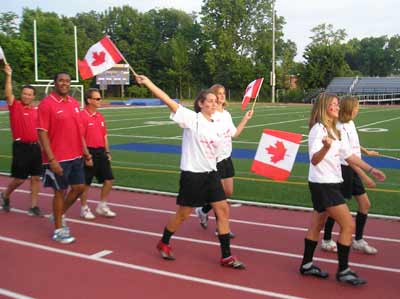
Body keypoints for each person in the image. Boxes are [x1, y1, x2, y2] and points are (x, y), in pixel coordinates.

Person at [135, 74, 245, 269]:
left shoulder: (217, 124)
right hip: (192, 175)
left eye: (215, 100)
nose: (214, 103)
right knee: (183, 214)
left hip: (211, 174)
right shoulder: (191, 119)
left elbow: (226, 142)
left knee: (223, 209)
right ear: (201, 104)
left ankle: (226, 256)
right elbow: (168, 100)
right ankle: (164, 241)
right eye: (209, 101)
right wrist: (149, 83)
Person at [299, 93, 385, 286]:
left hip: (329, 182)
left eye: (337, 104)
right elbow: (314, 159)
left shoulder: (334, 129)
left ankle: (306, 265)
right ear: (324, 108)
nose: (337, 107)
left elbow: (348, 155)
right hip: (324, 184)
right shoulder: (319, 130)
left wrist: (370, 169)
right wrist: (324, 148)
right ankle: (343, 270)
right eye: (333, 105)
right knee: (348, 225)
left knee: (316, 225)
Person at [37, 72, 93, 244]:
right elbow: (42, 133)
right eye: (61, 80)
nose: (64, 83)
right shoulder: (47, 104)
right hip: (58, 157)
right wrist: (52, 159)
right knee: (60, 192)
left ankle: (58, 215)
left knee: (79, 187)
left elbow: (79, 132)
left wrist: (85, 152)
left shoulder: (74, 103)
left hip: (76, 155)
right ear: (55, 83)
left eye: (67, 81)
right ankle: (59, 230)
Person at [321, 96, 379, 254]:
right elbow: (346, 155)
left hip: (353, 168)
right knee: (337, 207)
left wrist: (366, 151)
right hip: (345, 169)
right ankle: (326, 240)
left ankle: (358, 240)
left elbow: (352, 144)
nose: (358, 110)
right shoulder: (338, 126)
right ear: (349, 109)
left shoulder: (350, 123)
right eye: (356, 108)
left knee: (365, 204)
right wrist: (366, 176)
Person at [195, 84, 253, 238]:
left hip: (227, 158)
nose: (221, 96)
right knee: (220, 197)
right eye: (218, 93)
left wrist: (245, 119)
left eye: (223, 93)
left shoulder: (226, 114)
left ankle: (203, 210)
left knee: (228, 192)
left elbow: (234, 134)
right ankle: (221, 228)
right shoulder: (211, 115)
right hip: (214, 160)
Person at [1, 64, 43, 216]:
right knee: (19, 179)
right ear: (22, 94)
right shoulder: (15, 106)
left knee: (36, 178)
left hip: (35, 147)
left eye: (29, 94)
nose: (26, 96)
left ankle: (33, 206)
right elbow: (8, 94)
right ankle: (6, 195)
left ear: (33, 96)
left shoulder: (36, 111)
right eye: (24, 93)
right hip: (21, 147)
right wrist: (8, 75)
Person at [79, 88, 116, 220]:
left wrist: (107, 151)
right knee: (86, 183)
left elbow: (104, 135)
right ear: (89, 100)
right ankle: (83, 208)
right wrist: (87, 155)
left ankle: (102, 205)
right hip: (89, 151)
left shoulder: (100, 116)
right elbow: (81, 137)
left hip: (101, 152)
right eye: (98, 99)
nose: (100, 101)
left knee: (109, 179)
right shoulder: (82, 116)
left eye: (100, 98)